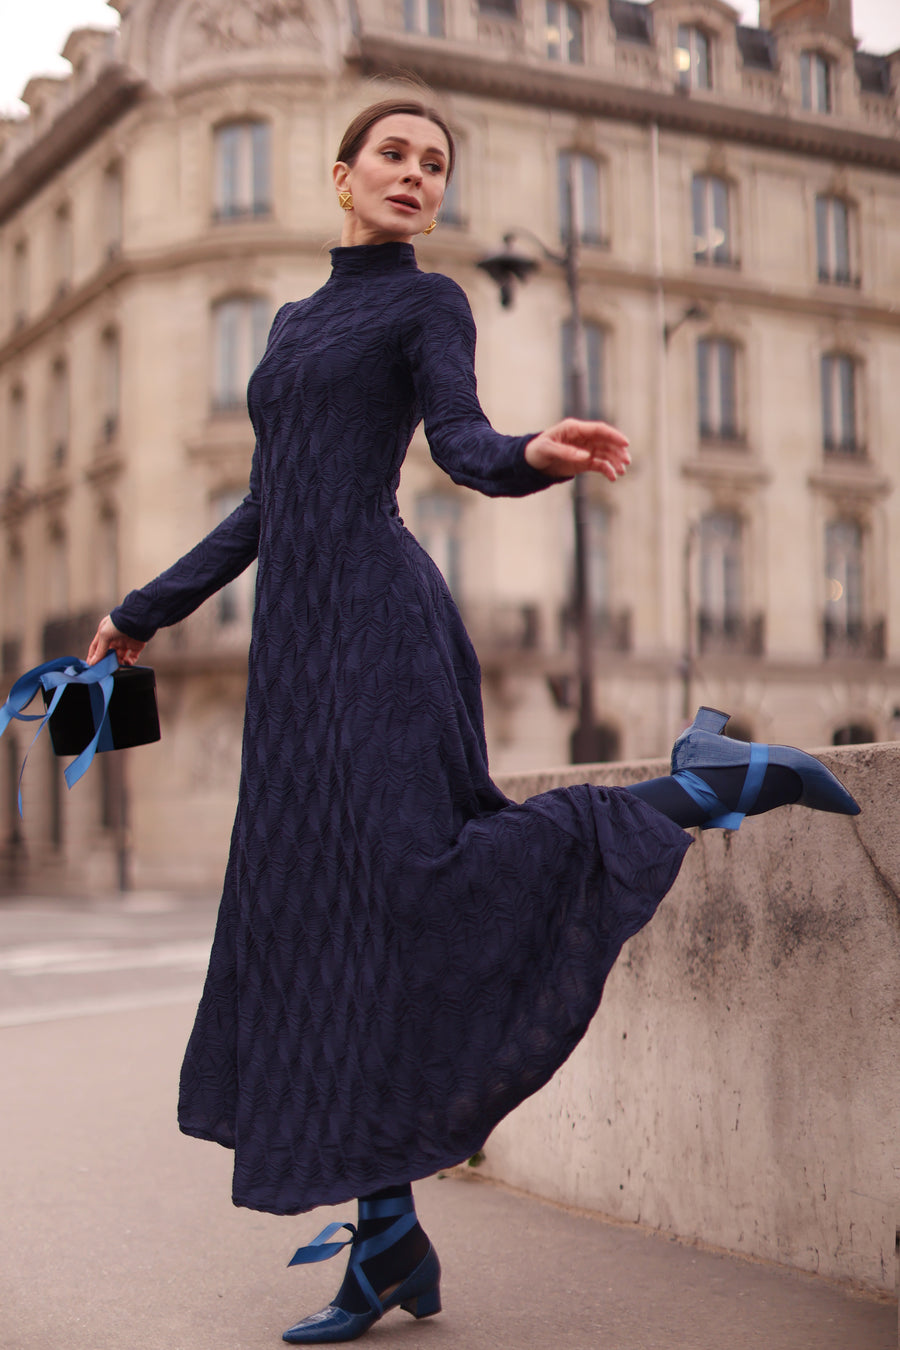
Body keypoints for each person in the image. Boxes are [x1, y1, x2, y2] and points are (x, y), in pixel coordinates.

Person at [87, 96, 859, 1345]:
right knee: (326, 924)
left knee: (423, 880)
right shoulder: (289, 328)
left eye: (434, 164)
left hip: (383, 632)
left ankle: (706, 786)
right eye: (393, 154)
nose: (415, 175)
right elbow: (263, 507)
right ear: (341, 176)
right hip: (297, 657)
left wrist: (529, 454)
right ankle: (388, 1240)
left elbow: (457, 443)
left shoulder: (426, 304)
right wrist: (139, 615)